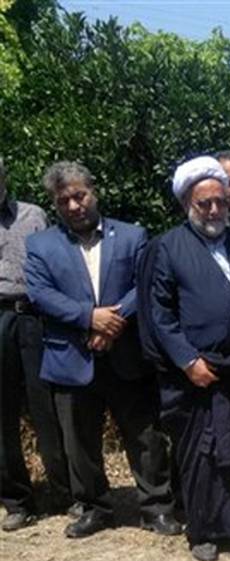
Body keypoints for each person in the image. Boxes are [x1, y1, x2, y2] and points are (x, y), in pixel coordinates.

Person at [24, 162, 177, 539]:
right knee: (79, 442)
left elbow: (145, 283)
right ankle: (95, 508)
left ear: (95, 192)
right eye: (64, 201)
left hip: (126, 354)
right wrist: (89, 318)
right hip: (70, 356)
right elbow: (40, 294)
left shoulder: (132, 235)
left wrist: (114, 321)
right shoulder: (40, 244)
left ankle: (156, 506)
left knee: (144, 435)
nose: (74, 206)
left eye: (80, 196)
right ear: (55, 205)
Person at [144, 156, 230, 561]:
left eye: (219, 202)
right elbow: (160, 315)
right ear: (188, 203)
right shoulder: (168, 247)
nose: (213, 210)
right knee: (202, 456)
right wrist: (188, 361)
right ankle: (204, 532)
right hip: (197, 376)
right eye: (203, 203)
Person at [0, 157, 70, 531]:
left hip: (35, 316)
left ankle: (66, 490)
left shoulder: (33, 215)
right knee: (1, 415)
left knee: (48, 406)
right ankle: (17, 500)